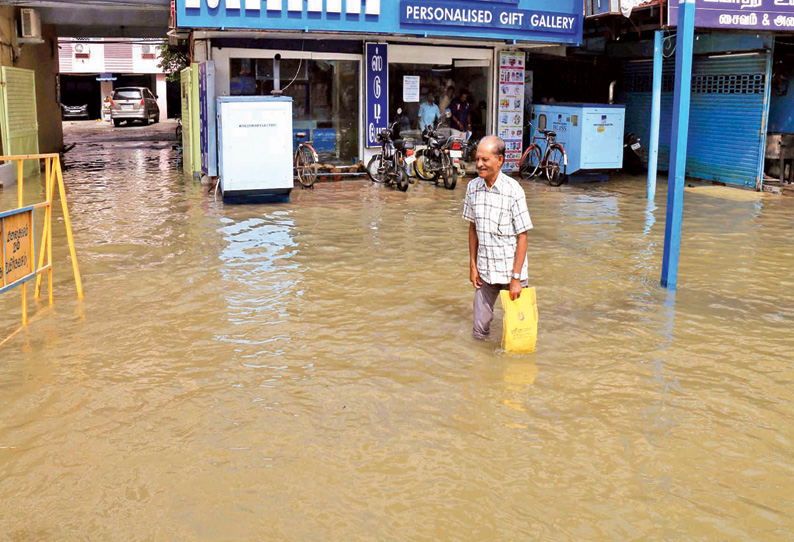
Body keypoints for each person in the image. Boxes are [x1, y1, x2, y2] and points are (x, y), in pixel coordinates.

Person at [462, 135, 532, 340]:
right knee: (479, 332)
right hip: (485, 272)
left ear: (500, 160)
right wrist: (473, 265)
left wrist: (516, 278)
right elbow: (473, 228)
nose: (479, 164)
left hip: (512, 272)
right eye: (477, 160)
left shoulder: (514, 191)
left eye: (485, 160)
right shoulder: (473, 188)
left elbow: (523, 236)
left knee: (519, 336)